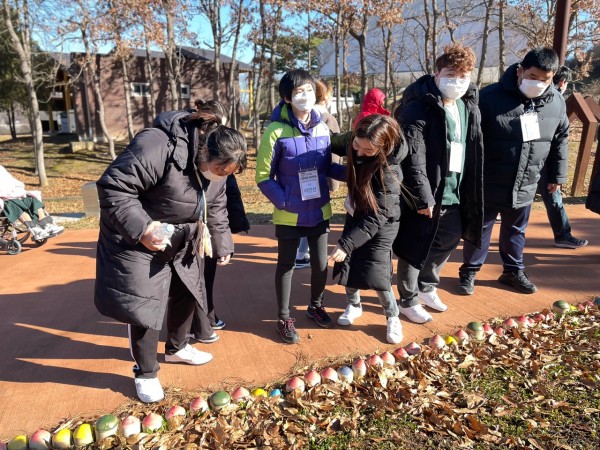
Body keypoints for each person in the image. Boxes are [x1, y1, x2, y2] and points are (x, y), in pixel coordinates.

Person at [94, 106, 247, 403]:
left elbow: (214, 206)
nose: (219, 177)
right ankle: (146, 372)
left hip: (183, 236)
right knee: (145, 306)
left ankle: (178, 349)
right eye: (218, 170)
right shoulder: (157, 144)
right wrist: (143, 228)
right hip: (138, 235)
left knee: (188, 290)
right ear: (203, 153)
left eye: (226, 174)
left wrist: (222, 242)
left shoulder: (219, 170)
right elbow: (114, 187)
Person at [459, 47, 569, 295]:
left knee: (516, 229)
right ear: (520, 70)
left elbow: (561, 138)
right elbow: (470, 139)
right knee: (481, 227)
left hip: (528, 179)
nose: (538, 83)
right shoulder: (489, 98)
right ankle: (469, 271)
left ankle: (512, 271)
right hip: (489, 178)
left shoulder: (556, 101)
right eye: (533, 76)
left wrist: (557, 176)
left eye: (545, 79)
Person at [393, 43, 484, 323]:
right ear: (436, 72)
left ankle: (426, 286)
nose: (456, 81)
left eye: (463, 75)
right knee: (414, 244)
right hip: (426, 192)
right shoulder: (417, 107)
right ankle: (407, 299)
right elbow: (413, 157)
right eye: (450, 73)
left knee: (449, 239)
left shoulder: (468, 106)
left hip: (457, 190)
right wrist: (422, 196)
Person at [256, 68, 346, 344]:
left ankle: (316, 305)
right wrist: (284, 200)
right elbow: (262, 177)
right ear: (286, 97)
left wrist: (354, 174)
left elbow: (328, 165)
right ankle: (284, 318)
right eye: (298, 92)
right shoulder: (275, 131)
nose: (305, 96)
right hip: (288, 213)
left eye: (308, 90)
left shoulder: (322, 126)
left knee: (320, 265)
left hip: (319, 209)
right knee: (286, 265)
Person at [329, 114, 406, 344]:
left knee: (377, 271)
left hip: (382, 222)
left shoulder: (389, 173)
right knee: (348, 265)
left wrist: (346, 243)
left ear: (383, 147)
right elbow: (331, 141)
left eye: (368, 151)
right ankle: (354, 305)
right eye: (356, 146)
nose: (359, 153)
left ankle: (393, 316)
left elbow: (376, 217)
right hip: (357, 212)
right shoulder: (357, 141)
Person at [187, 100, 250, 344]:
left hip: (211, 223)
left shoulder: (224, 158)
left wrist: (224, 240)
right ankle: (197, 324)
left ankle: (206, 314)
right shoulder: (193, 155)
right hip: (189, 226)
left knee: (208, 272)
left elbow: (220, 201)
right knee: (193, 277)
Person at [535, 66, 588, 249]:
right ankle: (563, 235)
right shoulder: (556, 101)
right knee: (554, 199)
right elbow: (559, 141)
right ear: (563, 82)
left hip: (531, 158)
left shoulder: (532, 97)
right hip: (547, 162)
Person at [295, 79, 342, 270]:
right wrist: (334, 181)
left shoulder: (300, 115)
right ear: (326, 97)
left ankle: (300, 253)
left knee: (305, 214)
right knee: (316, 217)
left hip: (300, 173)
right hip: (320, 176)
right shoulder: (326, 118)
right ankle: (302, 254)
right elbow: (334, 152)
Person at [0, 165, 64, 240]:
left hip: (12, 195)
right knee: (13, 204)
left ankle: (46, 225)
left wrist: (17, 189)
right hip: (4, 201)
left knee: (31, 200)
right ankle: (35, 229)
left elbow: (12, 181)